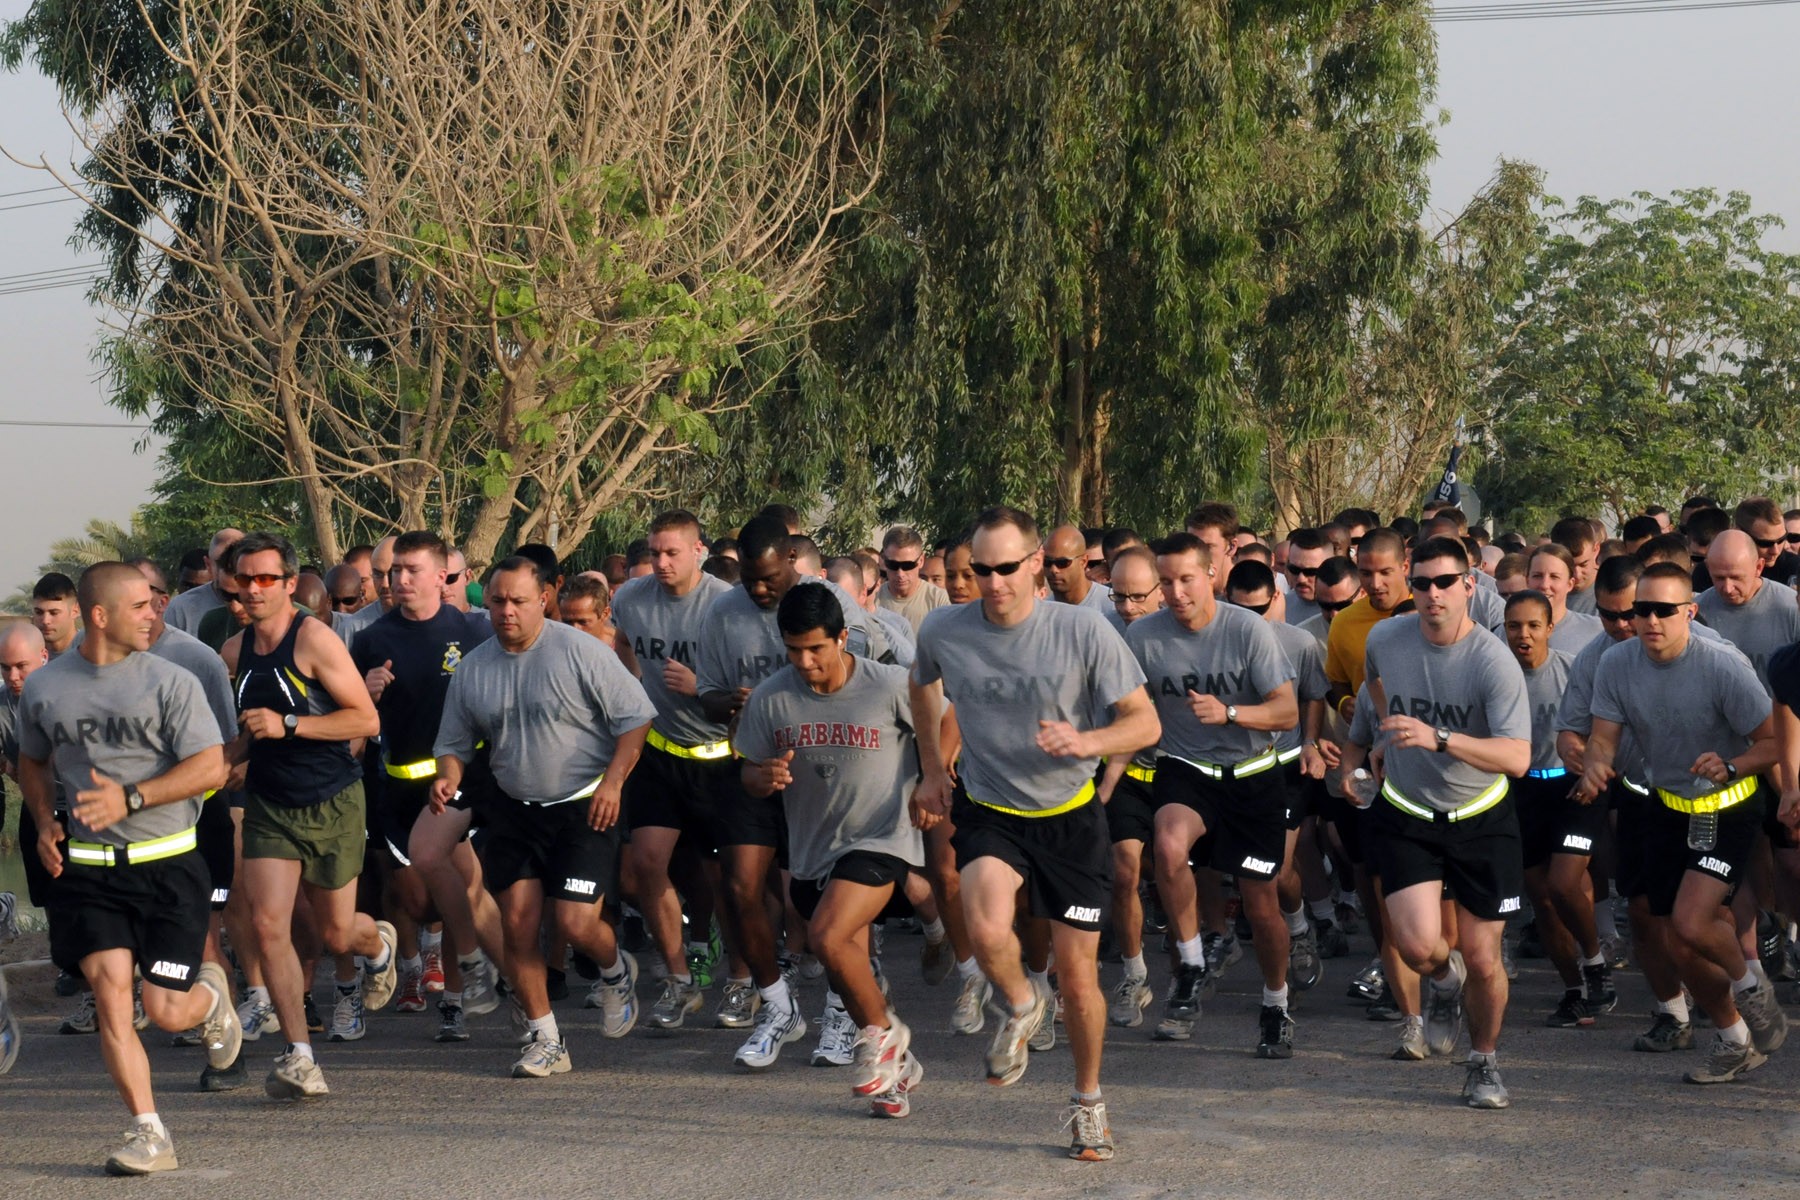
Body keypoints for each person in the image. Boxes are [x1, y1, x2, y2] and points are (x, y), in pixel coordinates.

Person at [911, 505, 1160, 1162]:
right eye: (980, 570)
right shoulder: (945, 628)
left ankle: (1087, 1103)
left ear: (1035, 566)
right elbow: (921, 686)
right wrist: (933, 770)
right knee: (987, 925)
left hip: (1071, 817)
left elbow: (1144, 725)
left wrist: (1087, 739)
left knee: (1080, 981)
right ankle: (1022, 1002)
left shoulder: (1082, 632)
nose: (993, 584)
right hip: (992, 809)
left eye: (1006, 569)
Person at [15, 563, 238, 1174]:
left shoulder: (172, 680)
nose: (153, 614)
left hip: (167, 866)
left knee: (165, 1009)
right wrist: (44, 820)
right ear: (100, 615)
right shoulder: (45, 686)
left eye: (155, 603)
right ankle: (149, 1133)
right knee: (113, 997)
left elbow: (210, 768)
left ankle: (211, 1001)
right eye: (140, 605)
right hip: (89, 873)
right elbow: (31, 761)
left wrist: (132, 797)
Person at [433, 556, 655, 1077]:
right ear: (484, 603)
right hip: (513, 807)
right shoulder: (475, 667)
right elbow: (454, 742)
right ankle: (546, 1038)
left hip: (583, 804)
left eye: (518, 602)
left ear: (542, 601)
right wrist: (447, 776)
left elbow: (636, 719)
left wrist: (613, 784)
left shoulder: (579, 651)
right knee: (517, 923)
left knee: (576, 923)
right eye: (497, 602)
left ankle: (615, 968)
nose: (506, 611)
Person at [1577, 562, 1787, 1084]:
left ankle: (1750, 986)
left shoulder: (1721, 665)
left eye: (1663, 611)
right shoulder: (1616, 663)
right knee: (1679, 943)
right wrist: (1596, 761)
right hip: (1667, 806)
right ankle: (1736, 1038)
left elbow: (1775, 740)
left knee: (1694, 920)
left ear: (1689, 613)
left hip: (1731, 805)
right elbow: (1603, 736)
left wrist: (1732, 765)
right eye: (1639, 611)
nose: (1648, 621)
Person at [1341, 536, 1532, 1109]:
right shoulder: (1385, 638)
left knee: (1482, 956)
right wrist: (1377, 743)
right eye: (1420, 583)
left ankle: (1484, 1063)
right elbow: (1374, 686)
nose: (1431, 595)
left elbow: (1518, 758)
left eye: (1444, 582)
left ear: (1469, 586)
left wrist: (1439, 737)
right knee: (1420, 947)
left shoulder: (1492, 662)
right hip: (1406, 809)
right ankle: (1444, 989)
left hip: (1480, 815)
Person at [694, 517, 889, 1067]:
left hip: (827, 766)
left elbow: (869, 672)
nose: (758, 588)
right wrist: (737, 701)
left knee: (830, 902)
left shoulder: (827, 601)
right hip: (755, 759)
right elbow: (704, 696)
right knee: (739, 885)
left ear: (792, 563)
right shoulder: (722, 612)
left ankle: (840, 1010)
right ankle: (778, 1007)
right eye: (749, 579)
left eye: (768, 577)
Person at [736, 585, 928, 1116]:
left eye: (816, 649)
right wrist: (763, 776)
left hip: (882, 837)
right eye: (793, 649)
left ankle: (880, 1046)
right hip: (815, 847)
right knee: (844, 956)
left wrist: (933, 778)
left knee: (824, 934)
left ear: (844, 638)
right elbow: (748, 770)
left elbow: (946, 721)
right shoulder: (773, 696)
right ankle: (896, 1065)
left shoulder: (888, 684)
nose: (804, 661)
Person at [222, 532, 395, 1100]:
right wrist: (221, 766)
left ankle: (380, 946)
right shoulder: (234, 651)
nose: (254, 589)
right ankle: (300, 1056)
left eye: (266, 578)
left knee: (336, 931)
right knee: (270, 925)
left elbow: (365, 721)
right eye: (245, 579)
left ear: (290, 584)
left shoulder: (315, 640)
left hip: (332, 801)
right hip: (270, 803)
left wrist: (290, 726)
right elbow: (248, 732)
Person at [1129, 539, 1298, 1056]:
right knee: (1168, 845)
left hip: (1252, 774)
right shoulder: (1143, 636)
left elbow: (1286, 712)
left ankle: (1276, 1003)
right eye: (1166, 581)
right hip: (1185, 768)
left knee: (1260, 903)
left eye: (1187, 579)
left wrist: (1229, 713)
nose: (1176, 593)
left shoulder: (1246, 630)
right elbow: (1126, 706)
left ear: (1211, 576)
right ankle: (1192, 964)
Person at [354, 531, 503, 1043]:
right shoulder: (372, 639)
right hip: (397, 785)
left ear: (443, 576)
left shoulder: (476, 632)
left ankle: (458, 998)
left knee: (455, 889)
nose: (399, 580)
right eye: (394, 571)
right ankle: (434, 964)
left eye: (411, 570)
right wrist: (366, 695)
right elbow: (351, 720)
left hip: (459, 783)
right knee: (413, 898)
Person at [609, 510, 737, 1034]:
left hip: (723, 756)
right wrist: (630, 688)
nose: (661, 563)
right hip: (661, 750)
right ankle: (679, 982)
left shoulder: (725, 607)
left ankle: (745, 982)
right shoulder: (630, 600)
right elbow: (621, 644)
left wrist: (701, 688)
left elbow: (752, 690)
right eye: (655, 552)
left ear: (698, 551)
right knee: (646, 864)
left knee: (735, 881)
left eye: (672, 553)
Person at [1500, 589, 1609, 1030]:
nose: (1522, 635)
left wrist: (1591, 770)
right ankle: (1575, 991)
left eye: (1532, 626)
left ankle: (1596, 961)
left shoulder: (1573, 671)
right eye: (1513, 626)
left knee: (1565, 883)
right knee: (1542, 899)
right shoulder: (1496, 674)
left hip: (1573, 787)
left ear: (1549, 628)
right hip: (1520, 793)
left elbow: (1604, 729)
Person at [1226, 561, 1335, 997]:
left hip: (1285, 766)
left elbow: (1312, 694)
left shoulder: (1300, 641)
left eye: (1259, 609)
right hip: (1234, 768)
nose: (1252, 621)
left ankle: (1298, 930)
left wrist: (1309, 741)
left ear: (1277, 599)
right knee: (1245, 872)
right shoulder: (1217, 640)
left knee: (1278, 870)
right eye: (1240, 610)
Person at [1093, 546, 1163, 1026]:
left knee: (1182, 879)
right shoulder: (1106, 638)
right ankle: (1135, 975)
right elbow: (1123, 720)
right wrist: (1106, 784)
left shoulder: (1201, 634)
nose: (1128, 607)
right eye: (1119, 597)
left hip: (1185, 774)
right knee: (1124, 871)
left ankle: (1189, 971)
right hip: (1127, 772)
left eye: (1139, 597)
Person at [161, 528, 246, 634]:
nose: (235, 607)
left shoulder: (268, 603)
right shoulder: (181, 609)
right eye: (221, 563)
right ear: (208, 564)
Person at [1527, 544, 1604, 654]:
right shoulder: (1507, 631)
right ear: (1527, 580)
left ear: (1570, 584)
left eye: (1554, 577)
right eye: (1537, 576)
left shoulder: (1596, 631)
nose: (1544, 585)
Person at [875, 525, 949, 635]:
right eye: (893, 565)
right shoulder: (873, 599)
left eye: (907, 565)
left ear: (921, 561)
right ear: (884, 560)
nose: (900, 574)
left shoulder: (940, 601)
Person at [1044, 525, 1112, 611]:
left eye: (1062, 563)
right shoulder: (1041, 613)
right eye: (1047, 562)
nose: (1053, 570)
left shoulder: (1112, 606)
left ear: (1083, 561)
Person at [1551, 517, 1602, 615]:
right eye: (1569, 566)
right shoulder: (1544, 591)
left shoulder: (1612, 592)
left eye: (1583, 564)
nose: (1576, 575)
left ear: (1596, 549)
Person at [1282, 528, 1330, 626]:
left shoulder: (1348, 609)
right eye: (1294, 569)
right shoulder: (1280, 607)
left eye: (1310, 572)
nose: (1301, 579)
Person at [30, 573, 79, 659]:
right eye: (39, 612)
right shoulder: (25, 657)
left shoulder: (91, 656)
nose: (45, 621)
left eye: (54, 613)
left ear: (75, 611)